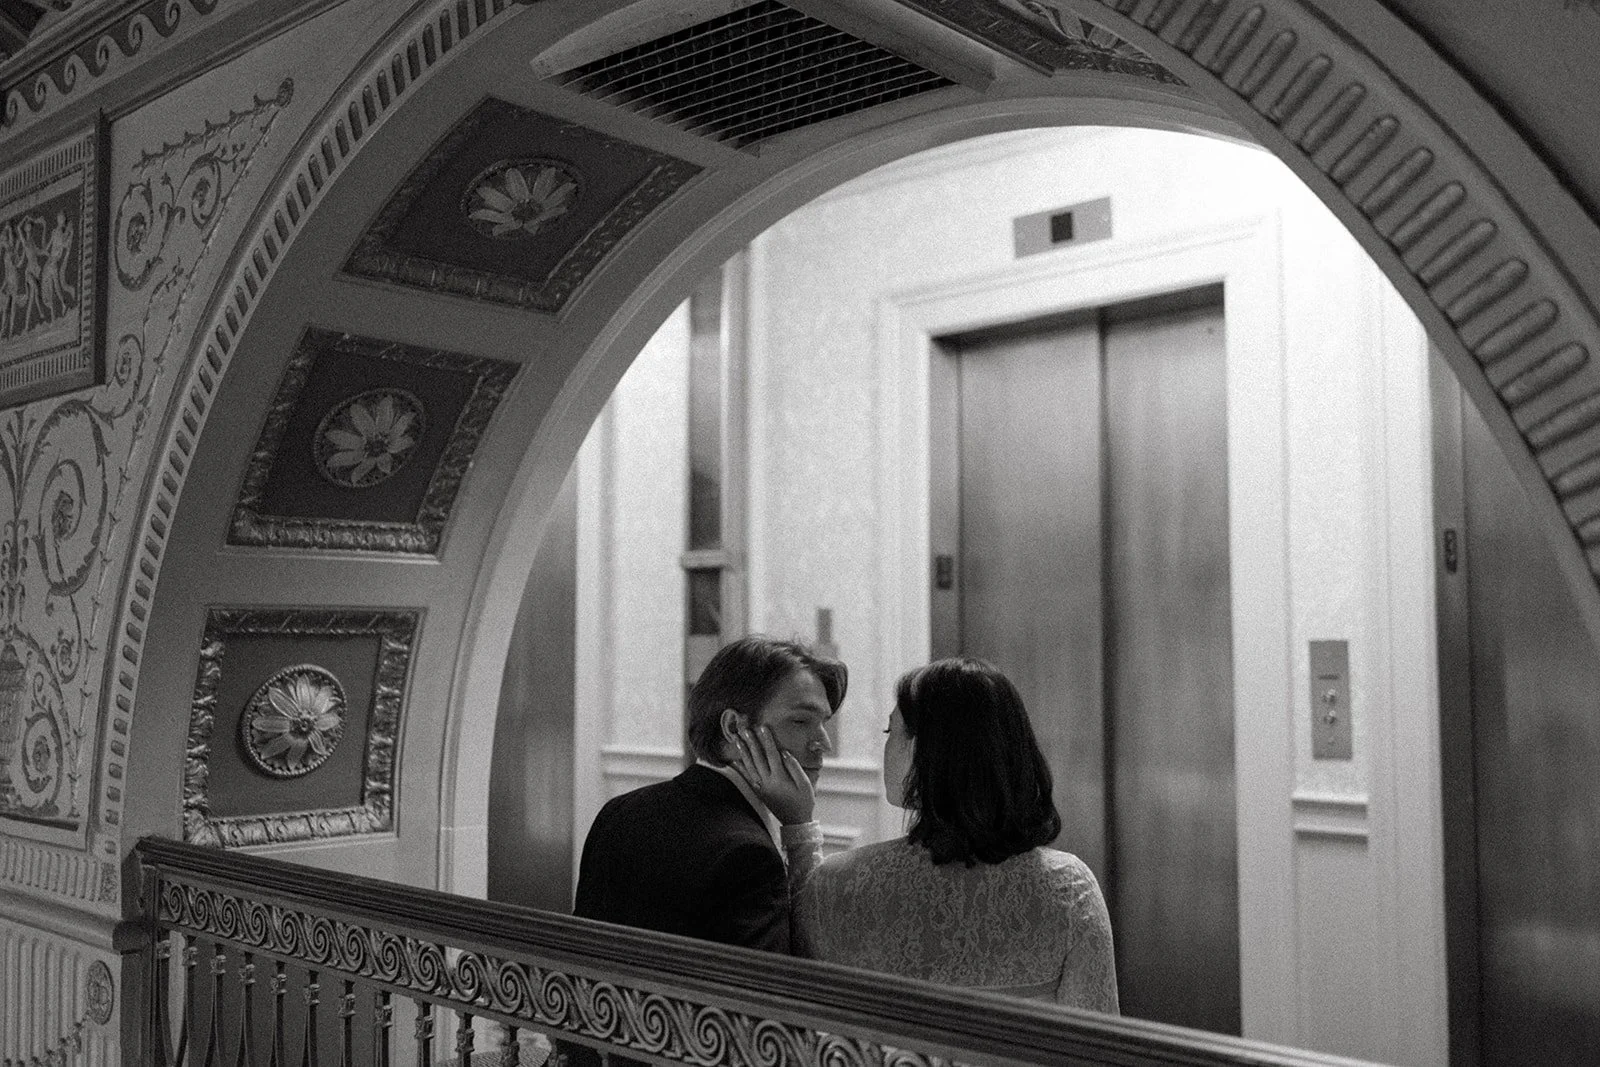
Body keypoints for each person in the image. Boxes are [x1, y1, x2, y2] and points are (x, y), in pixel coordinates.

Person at [731, 656, 1119, 1011]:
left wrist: (799, 828)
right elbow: (1099, 1042)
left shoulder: (838, 886)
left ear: (926, 751)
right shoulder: (1068, 889)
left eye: (891, 731)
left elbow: (810, 1015)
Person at [572, 634, 847, 953]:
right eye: (801, 721)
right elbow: (790, 984)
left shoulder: (619, 812)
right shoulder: (748, 857)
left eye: (824, 723)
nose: (823, 743)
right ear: (733, 728)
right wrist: (799, 827)